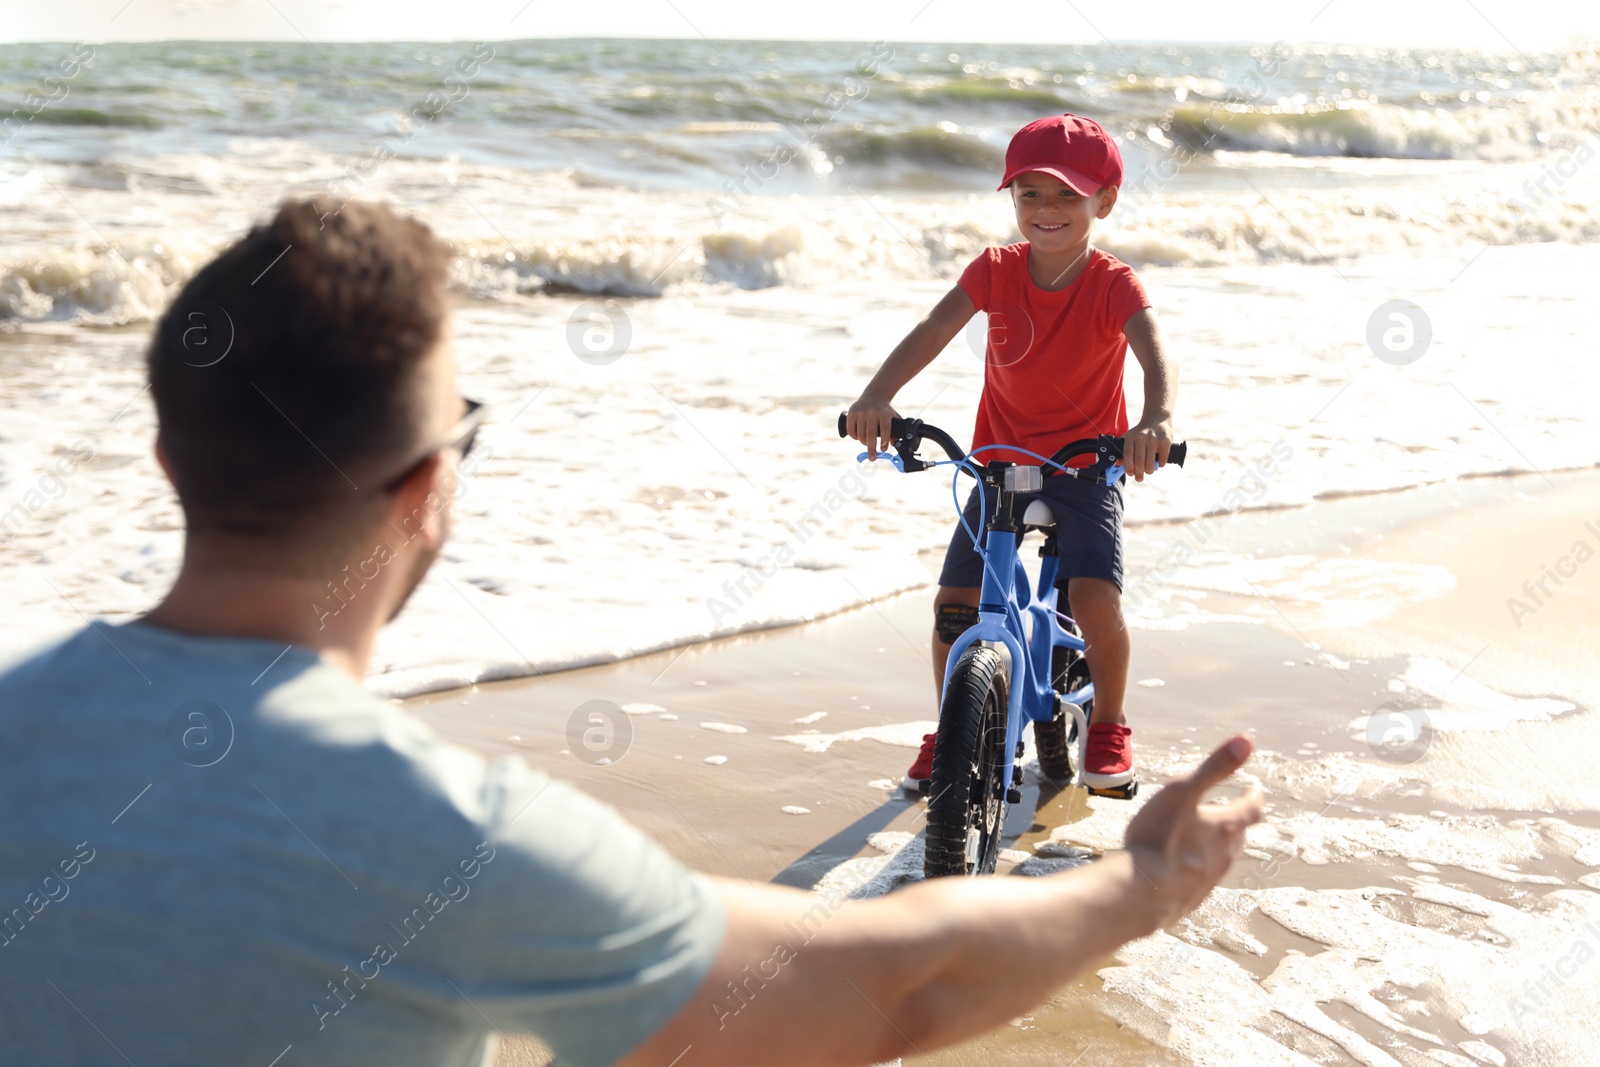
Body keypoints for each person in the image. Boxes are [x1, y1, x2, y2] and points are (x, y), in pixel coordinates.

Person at [0, 198, 1258, 1067]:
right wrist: (1137, 887)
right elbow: (881, 988)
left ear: (167, 459)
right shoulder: (451, 838)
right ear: (429, 490)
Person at [846, 112, 1175, 796]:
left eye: (1066, 196)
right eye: (1029, 194)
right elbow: (934, 329)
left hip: (1086, 467)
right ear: (1011, 199)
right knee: (955, 604)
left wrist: (1156, 419)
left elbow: (1152, 354)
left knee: (1093, 598)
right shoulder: (995, 270)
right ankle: (949, 726)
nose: (1046, 210)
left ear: (1103, 202)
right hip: (998, 462)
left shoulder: (1114, 284)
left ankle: (1110, 724)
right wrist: (878, 394)